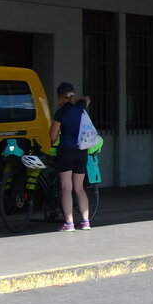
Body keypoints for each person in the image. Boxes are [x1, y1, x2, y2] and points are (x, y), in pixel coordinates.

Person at [49, 82, 92, 232]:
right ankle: (86, 221)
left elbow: (53, 136)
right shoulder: (81, 105)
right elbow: (87, 98)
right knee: (79, 188)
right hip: (82, 151)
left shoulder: (60, 112)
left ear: (60, 97)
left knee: (66, 188)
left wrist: (53, 140)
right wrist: (78, 99)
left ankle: (69, 223)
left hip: (66, 151)